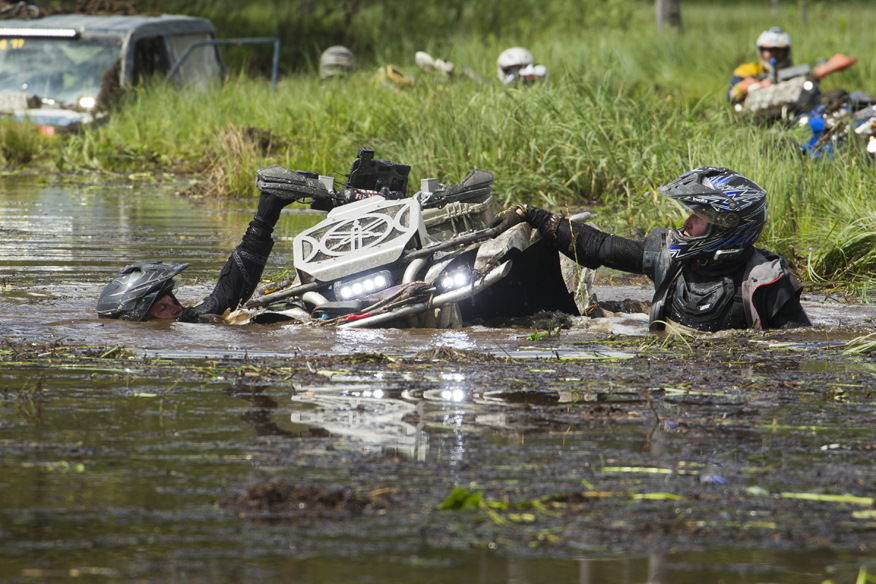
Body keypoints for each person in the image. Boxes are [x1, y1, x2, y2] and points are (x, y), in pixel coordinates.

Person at [97, 148, 413, 322]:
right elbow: (224, 299)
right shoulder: (189, 328)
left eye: (170, 300)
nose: (174, 309)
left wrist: (264, 219)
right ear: (143, 324)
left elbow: (224, 295)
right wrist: (264, 219)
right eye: (162, 310)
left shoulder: (190, 318)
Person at [490, 167, 811, 332]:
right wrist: (535, 216)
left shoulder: (766, 282)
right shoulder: (668, 256)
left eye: (697, 217)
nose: (686, 223)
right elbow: (598, 247)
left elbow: (798, 345)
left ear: (726, 226)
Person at [728, 26, 792, 104]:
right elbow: (730, 97)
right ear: (761, 51)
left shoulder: (793, 71)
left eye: (778, 51)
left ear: (786, 52)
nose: (774, 54)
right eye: (769, 50)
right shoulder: (746, 70)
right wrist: (757, 85)